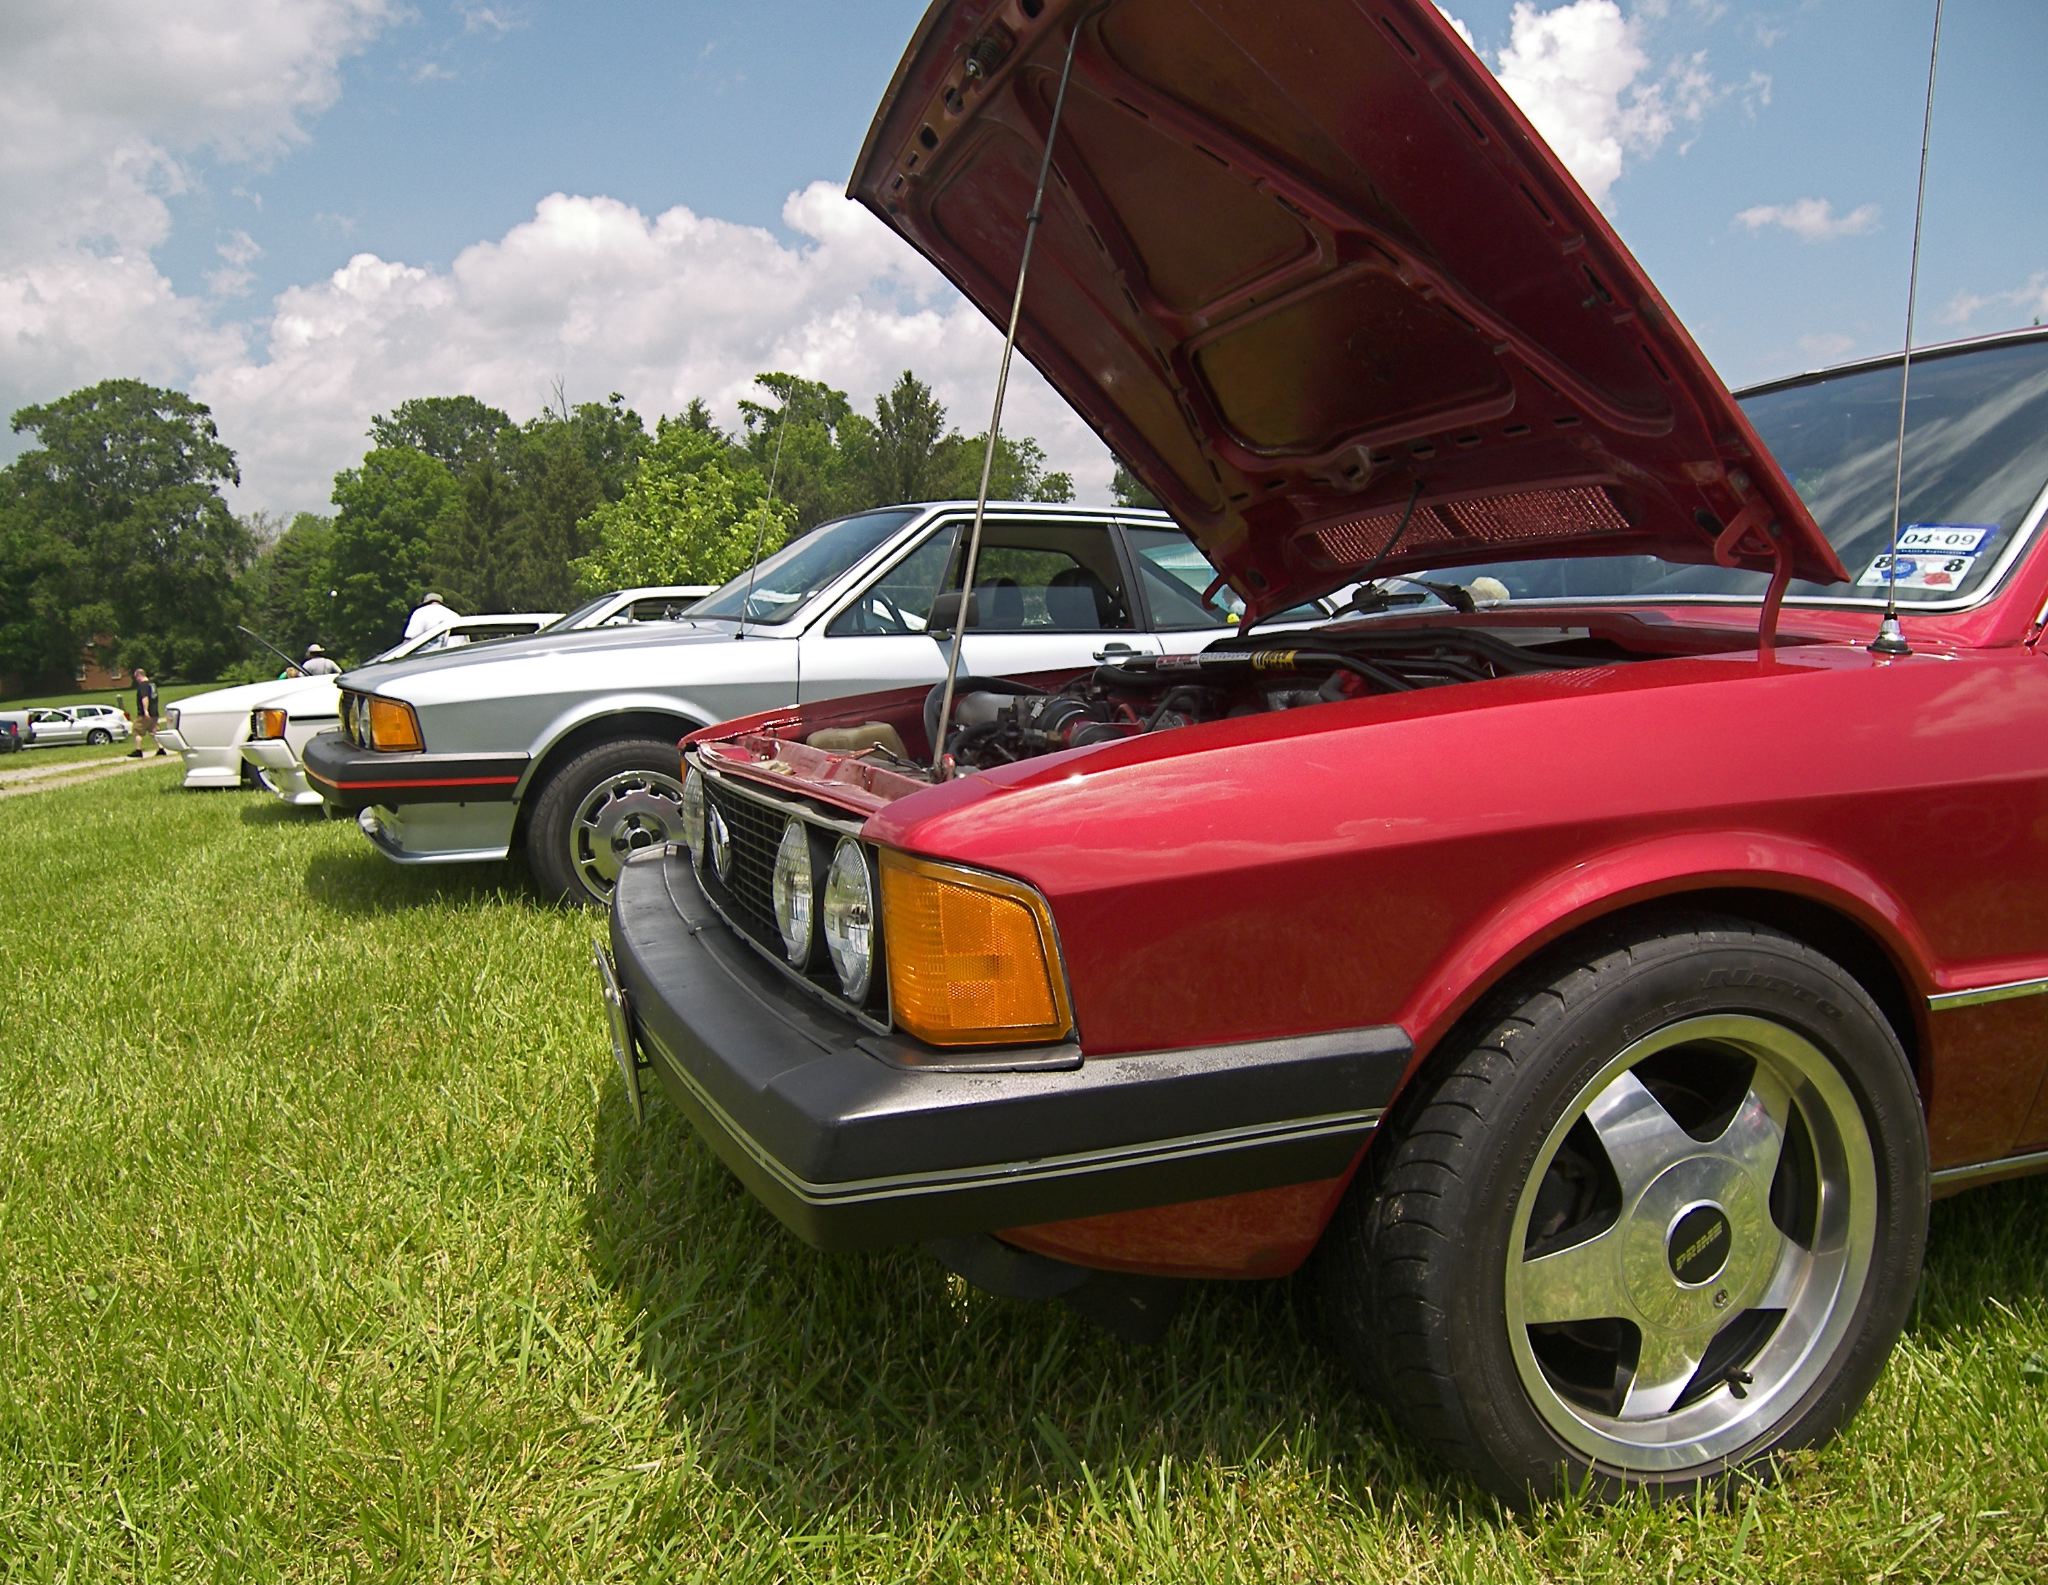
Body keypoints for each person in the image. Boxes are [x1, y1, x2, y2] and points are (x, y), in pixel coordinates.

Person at [125, 667, 167, 757]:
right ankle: (161, 749)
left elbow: (145, 698)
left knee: (136, 730)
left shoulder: (143, 686)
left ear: (139, 676)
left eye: (136, 678)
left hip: (145, 714)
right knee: (154, 731)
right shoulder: (153, 685)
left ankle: (138, 751)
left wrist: (145, 710)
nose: (136, 680)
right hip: (154, 712)